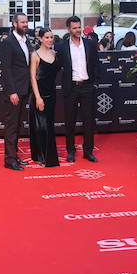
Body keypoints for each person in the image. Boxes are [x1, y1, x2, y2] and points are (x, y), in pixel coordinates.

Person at [55, 16, 99, 163]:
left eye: (79, 27)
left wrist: (95, 83)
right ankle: (71, 151)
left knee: (88, 121)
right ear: (68, 29)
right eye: (74, 28)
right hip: (71, 87)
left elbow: (96, 65)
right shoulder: (61, 47)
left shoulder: (90, 44)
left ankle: (88, 151)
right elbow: (56, 66)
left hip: (87, 86)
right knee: (70, 121)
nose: (78, 30)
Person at [0, 13, 31, 171]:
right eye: (22, 22)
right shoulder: (8, 42)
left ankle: (14, 155)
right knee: (11, 126)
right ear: (14, 24)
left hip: (25, 89)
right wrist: (12, 92)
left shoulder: (26, 40)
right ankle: (9, 160)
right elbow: (6, 69)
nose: (25, 24)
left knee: (18, 126)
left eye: (26, 22)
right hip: (14, 91)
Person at [28, 28, 60, 168]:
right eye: (46, 37)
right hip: (39, 95)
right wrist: (38, 97)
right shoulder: (35, 55)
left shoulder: (55, 54)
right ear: (40, 39)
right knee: (41, 126)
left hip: (52, 94)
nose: (50, 40)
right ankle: (42, 156)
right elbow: (33, 78)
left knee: (49, 126)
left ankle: (44, 156)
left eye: (51, 37)